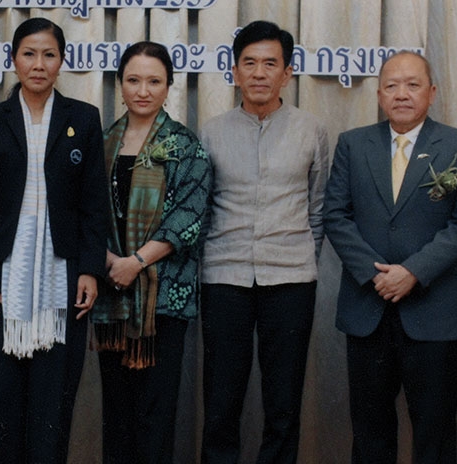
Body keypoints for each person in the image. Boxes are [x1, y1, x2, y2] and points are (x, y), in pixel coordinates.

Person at [0, 17, 107, 464]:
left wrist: (89, 270)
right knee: (0, 408)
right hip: (0, 280)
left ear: (61, 61)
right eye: (29, 54)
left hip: (62, 280)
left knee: (52, 410)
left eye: (48, 54)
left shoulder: (83, 118)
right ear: (14, 60)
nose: (38, 64)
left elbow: (93, 204)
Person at [324, 51, 457, 464]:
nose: (401, 94)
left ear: (432, 92)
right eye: (391, 86)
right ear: (379, 94)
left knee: (435, 435)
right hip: (368, 309)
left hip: (435, 311)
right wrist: (376, 276)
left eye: (412, 85)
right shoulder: (353, 143)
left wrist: (413, 272)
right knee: (370, 435)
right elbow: (335, 215)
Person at [199, 20, 329, 463]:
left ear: (287, 73)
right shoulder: (212, 131)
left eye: (270, 63)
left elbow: (318, 207)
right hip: (224, 277)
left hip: (291, 279)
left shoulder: (311, 130)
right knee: (221, 400)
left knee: (284, 402)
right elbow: (204, 207)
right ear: (234, 71)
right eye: (249, 63)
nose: (259, 73)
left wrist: (300, 257)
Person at [90, 41, 212, 463]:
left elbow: (190, 216)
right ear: (120, 84)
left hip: (163, 296)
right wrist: (112, 262)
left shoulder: (185, 144)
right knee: (117, 413)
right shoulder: (102, 142)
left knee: (155, 412)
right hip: (111, 292)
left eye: (154, 81)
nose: (143, 91)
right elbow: (85, 210)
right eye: (133, 80)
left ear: (168, 86)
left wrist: (137, 262)